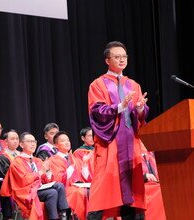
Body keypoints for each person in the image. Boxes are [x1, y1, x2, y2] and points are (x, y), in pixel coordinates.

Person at [87, 41, 148, 220]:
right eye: (117, 57)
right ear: (107, 60)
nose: (122, 60)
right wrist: (119, 106)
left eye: (124, 57)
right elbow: (97, 111)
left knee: (132, 189)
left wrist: (139, 109)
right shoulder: (98, 84)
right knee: (105, 186)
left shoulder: (133, 85)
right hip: (110, 142)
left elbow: (141, 115)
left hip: (131, 142)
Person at [0, 132, 70, 220]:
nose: (33, 144)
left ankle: (64, 215)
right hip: (26, 192)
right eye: (29, 141)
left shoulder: (37, 160)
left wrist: (48, 172)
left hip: (39, 188)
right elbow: (24, 180)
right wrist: (41, 172)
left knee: (59, 185)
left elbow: (46, 180)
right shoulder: (17, 162)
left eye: (34, 141)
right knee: (52, 193)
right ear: (21, 144)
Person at [49, 131, 88, 220]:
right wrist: (71, 165)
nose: (67, 142)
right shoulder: (53, 160)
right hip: (65, 190)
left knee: (92, 190)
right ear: (55, 145)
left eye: (68, 140)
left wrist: (85, 163)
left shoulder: (74, 159)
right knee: (81, 193)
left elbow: (84, 177)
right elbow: (58, 180)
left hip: (78, 186)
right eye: (63, 141)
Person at [0, 129, 21, 220]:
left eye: (17, 139)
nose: (15, 141)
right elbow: (5, 175)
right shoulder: (2, 157)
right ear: (6, 141)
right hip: (10, 186)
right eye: (12, 139)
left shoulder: (21, 155)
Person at [141, 144, 166, 220]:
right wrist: (144, 176)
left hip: (156, 184)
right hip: (142, 187)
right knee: (160, 192)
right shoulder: (130, 146)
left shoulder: (153, 146)